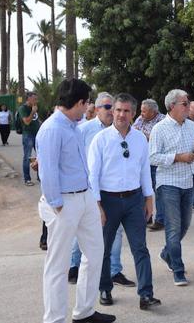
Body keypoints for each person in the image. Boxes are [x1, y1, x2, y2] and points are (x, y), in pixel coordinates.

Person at [36, 78, 115, 323]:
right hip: (63, 203)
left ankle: (84, 312)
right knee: (57, 264)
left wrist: (90, 197)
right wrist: (56, 204)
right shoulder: (52, 129)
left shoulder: (73, 125)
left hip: (84, 197)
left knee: (94, 252)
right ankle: (55, 319)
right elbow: (47, 171)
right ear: (80, 102)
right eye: (87, 103)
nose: (88, 108)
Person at [89, 93, 161, 310]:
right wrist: (97, 205)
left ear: (133, 113)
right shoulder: (100, 140)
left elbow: (144, 171)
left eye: (126, 111)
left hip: (133, 200)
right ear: (113, 111)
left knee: (140, 248)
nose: (121, 114)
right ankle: (104, 288)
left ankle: (146, 294)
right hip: (108, 200)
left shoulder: (139, 139)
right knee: (104, 248)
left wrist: (149, 199)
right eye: (118, 110)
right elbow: (92, 175)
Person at [69, 93, 135, 289]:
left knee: (115, 233)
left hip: (111, 190)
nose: (111, 111)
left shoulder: (121, 132)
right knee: (83, 230)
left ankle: (114, 270)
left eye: (112, 107)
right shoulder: (84, 130)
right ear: (97, 109)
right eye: (108, 107)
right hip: (87, 188)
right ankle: (74, 266)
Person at [149, 89, 194, 286]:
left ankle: (167, 253)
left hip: (188, 181)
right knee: (173, 228)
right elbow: (152, 157)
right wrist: (178, 157)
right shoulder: (159, 128)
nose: (189, 107)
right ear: (172, 106)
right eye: (185, 104)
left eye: (188, 103)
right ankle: (178, 270)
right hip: (168, 182)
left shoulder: (191, 126)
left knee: (184, 225)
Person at [133, 99, 166, 230]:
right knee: (142, 190)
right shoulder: (140, 119)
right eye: (141, 110)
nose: (141, 113)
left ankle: (160, 220)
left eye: (144, 111)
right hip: (142, 160)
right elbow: (133, 131)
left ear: (154, 111)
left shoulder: (162, 120)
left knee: (158, 191)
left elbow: (158, 139)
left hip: (157, 161)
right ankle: (146, 217)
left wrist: (144, 136)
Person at [19, 92, 41, 186]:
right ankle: (27, 179)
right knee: (27, 157)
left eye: (36, 99)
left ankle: (40, 176)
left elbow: (36, 120)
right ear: (28, 99)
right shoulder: (23, 108)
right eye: (34, 99)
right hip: (28, 135)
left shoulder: (34, 107)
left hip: (38, 135)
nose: (36, 101)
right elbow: (27, 122)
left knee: (40, 156)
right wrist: (33, 111)